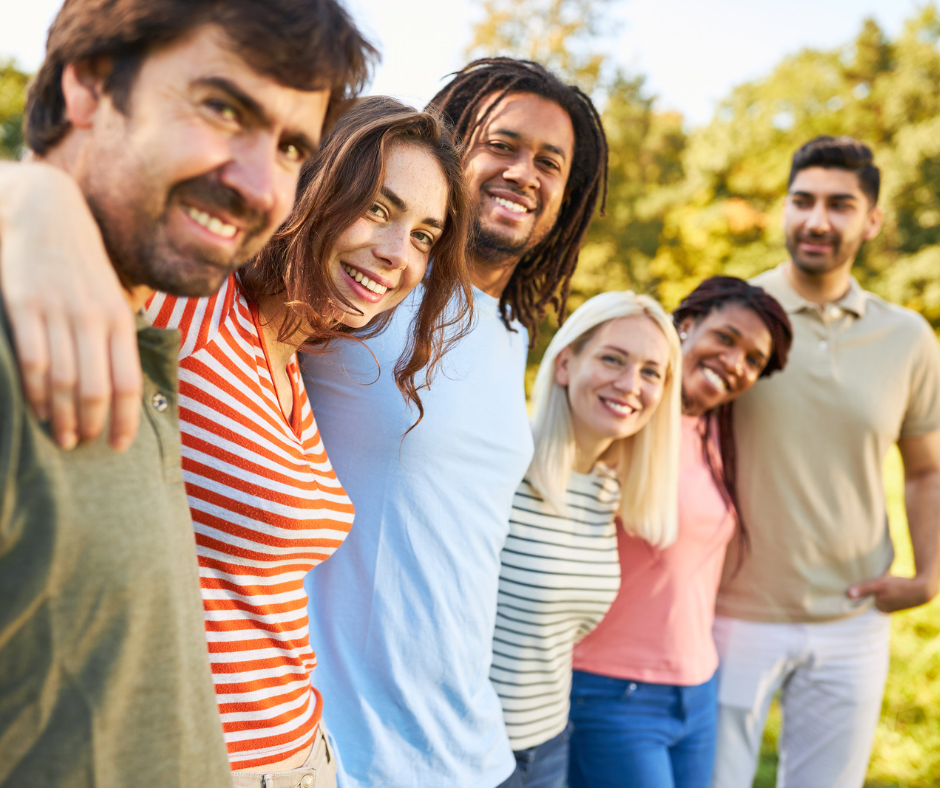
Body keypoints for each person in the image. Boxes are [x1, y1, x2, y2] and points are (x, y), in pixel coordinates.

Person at [0, 0, 374, 784]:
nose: (257, 183)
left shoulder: (149, 341)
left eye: (290, 147)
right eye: (220, 107)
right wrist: (26, 195)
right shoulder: (21, 329)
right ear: (89, 82)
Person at [301, 57, 609, 787]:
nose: (522, 172)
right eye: (501, 145)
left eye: (548, 162)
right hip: (351, 755)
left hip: (477, 749)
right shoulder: (365, 289)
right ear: (448, 148)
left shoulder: (510, 333)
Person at [146, 96, 471, 786]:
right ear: (312, 188)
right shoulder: (198, 306)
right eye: (378, 209)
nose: (396, 254)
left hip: (303, 753)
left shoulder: (295, 364)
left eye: (423, 235)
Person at [711, 137, 940, 788]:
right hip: (731, 614)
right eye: (802, 201)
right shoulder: (732, 315)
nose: (816, 220)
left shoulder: (907, 338)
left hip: (852, 620)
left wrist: (928, 577)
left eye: (840, 205)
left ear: (871, 221)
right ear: (783, 209)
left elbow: (927, 470)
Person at [566, 277, 792, 788]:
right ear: (686, 325)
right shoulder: (624, 416)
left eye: (753, 360)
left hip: (698, 690)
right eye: (727, 338)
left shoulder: (716, 433)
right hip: (609, 690)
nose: (735, 362)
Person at [491, 291, 683, 788]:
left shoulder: (606, 492)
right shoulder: (502, 467)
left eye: (650, 372)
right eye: (612, 359)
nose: (629, 384)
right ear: (564, 365)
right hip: (471, 752)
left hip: (549, 746)